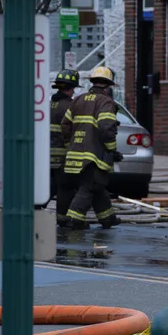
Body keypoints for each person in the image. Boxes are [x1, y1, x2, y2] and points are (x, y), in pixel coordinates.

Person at [62, 65, 123, 229]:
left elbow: (65, 124)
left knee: (97, 186)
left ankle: (107, 218)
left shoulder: (78, 99)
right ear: (108, 86)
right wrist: (111, 149)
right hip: (93, 157)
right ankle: (73, 219)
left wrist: (71, 144)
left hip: (75, 155)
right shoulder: (106, 102)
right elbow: (106, 127)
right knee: (90, 187)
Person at [49, 69, 80, 217]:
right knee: (65, 187)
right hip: (63, 154)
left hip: (46, 154)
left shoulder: (49, 104)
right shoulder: (71, 105)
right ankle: (63, 217)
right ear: (70, 89)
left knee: (49, 186)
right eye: (73, 88)